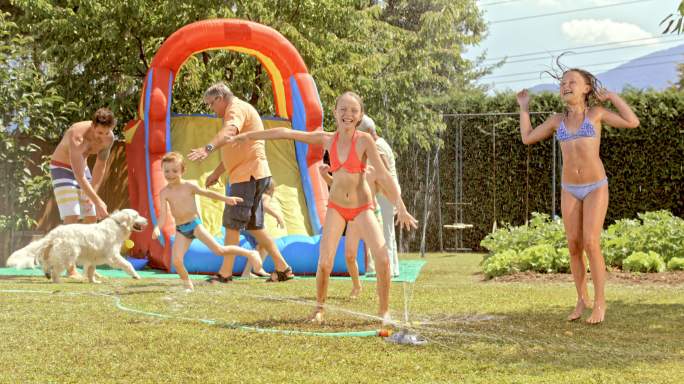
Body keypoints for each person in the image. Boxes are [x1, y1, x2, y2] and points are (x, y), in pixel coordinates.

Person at [229, 91, 418, 324]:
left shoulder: (364, 141)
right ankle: (319, 310)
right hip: (337, 207)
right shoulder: (328, 139)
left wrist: (401, 205)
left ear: (360, 116)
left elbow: (383, 174)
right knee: (325, 262)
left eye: (353, 110)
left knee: (382, 258)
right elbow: (286, 133)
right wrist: (249, 136)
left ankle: (384, 312)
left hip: (362, 207)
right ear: (335, 112)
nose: (348, 114)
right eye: (343, 109)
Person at [517, 67, 639, 324]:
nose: (565, 85)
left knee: (591, 243)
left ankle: (600, 303)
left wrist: (613, 98)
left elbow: (632, 121)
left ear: (586, 88)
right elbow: (527, 138)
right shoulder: (556, 121)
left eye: (572, 82)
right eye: (563, 82)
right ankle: (582, 299)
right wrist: (524, 107)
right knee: (573, 244)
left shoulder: (596, 114)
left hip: (595, 186)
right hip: (569, 189)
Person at [187, 83, 295, 283]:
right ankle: (283, 268)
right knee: (254, 227)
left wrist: (207, 148)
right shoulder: (239, 108)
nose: (211, 109)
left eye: (211, 104)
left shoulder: (235, 109)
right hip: (253, 174)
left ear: (220, 98)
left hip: (248, 176)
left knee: (232, 224)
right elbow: (233, 150)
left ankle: (225, 274)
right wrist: (217, 173)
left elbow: (229, 132)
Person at [151, 152, 267, 291]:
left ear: (182, 171)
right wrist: (157, 227)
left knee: (219, 250)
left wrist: (226, 199)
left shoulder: (189, 186)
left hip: (195, 225)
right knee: (176, 260)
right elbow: (163, 214)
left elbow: (207, 194)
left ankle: (251, 253)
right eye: (166, 171)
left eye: (174, 171)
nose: (170, 174)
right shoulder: (164, 192)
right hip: (181, 229)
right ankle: (188, 285)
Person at [49, 108, 116, 279]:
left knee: (91, 217)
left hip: (82, 169)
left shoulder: (109, 138)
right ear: (93, 125)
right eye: (99, 132)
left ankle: (89, 270)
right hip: (62, 168)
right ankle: (71, 269)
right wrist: (98, 200)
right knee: (72, 215)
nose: (102, 136)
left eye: (106, 132)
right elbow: (78, 175)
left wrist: (93, 196)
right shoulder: (76, 135)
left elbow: (101, 166)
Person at [319, 162, 385, 298]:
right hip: (354, 216)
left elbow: (385, 186)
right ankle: (357, 286)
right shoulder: (345, 165)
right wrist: (325, 176)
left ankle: (380, 288)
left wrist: (398, 205)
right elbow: (337, 186)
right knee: (349, 255)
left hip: (371, 214)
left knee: (378, 255)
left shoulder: (372, 168)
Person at [357, 115, 402, 277]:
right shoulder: (381, 143)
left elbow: (384, 173)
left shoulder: (377, 146)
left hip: (386, 193)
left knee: (384, 233)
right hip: (389, 193)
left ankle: (387, 270)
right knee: (388, 232)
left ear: (368, 132)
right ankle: (393, 268)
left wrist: (379, 191)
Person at [240, 178, 286, 278]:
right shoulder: (266, 196)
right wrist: (277, 216)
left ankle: (254, 269)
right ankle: (251, 270)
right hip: (253, 225)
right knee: (267, 242)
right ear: (271, 190)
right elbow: (264, 206)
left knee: (262, 244)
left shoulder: (255, 195)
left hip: (244, 224)